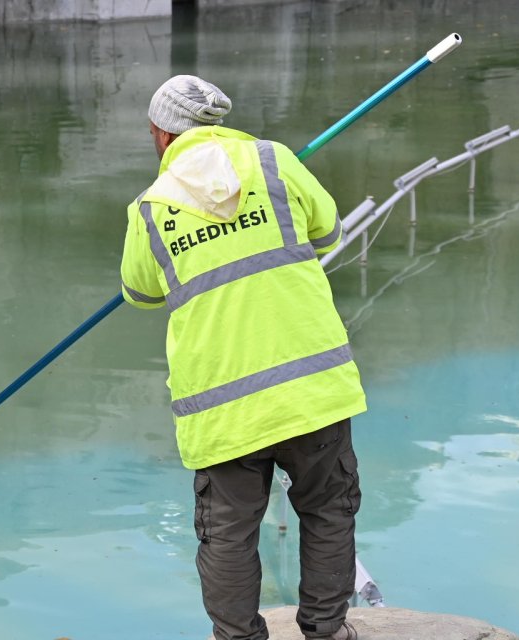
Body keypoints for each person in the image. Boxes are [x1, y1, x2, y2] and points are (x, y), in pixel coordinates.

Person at [119, 75, 368, 640]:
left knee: (227, 534)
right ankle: (327, 632)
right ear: (216, 123)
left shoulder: (151, 209)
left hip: (223, 406)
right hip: (311, 388)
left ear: (162, 135)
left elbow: (140, 292)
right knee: (327, 511)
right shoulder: (275, 162)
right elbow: (327, 232)